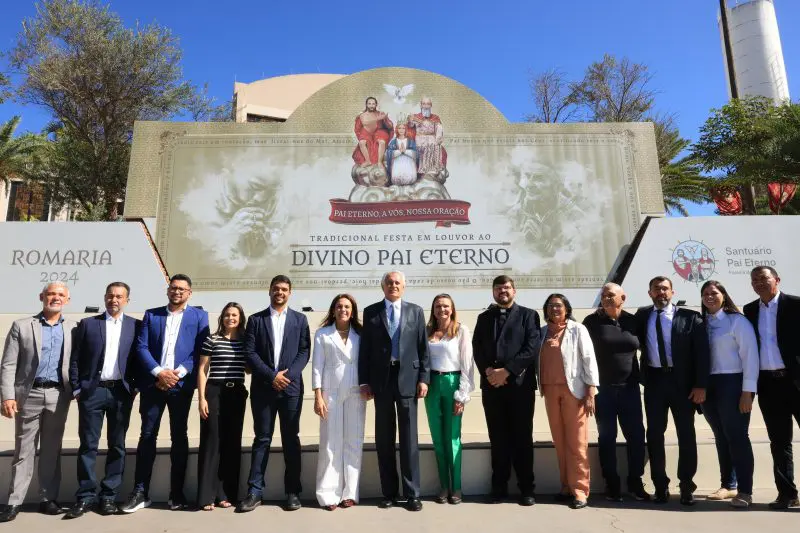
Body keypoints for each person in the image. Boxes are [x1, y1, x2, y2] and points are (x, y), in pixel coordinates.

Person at [121, 274, 210, 513]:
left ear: (189, 293)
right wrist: (159, 372)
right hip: (153, 385)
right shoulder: (152, 314)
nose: (177, 292)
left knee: (179, 437)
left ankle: (177, 493)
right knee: (147, 435)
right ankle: (140, 492)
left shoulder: (200, 317)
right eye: (173, 288)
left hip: (180, 387)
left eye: (182, 289)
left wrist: (176, 374)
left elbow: (200, 351)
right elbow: (141, 346)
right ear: (168, 290)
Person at [0, 282, 77, 523]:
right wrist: (8, 396)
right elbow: (8, 364)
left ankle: (48, 499)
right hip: (29, 395)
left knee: (52, 450)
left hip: (58, 395)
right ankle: (14, 501)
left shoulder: (75, 328)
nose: (55, 298)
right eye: (51, 294)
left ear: (67, 299)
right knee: (24, 450)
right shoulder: (21, 326)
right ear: (41, 296)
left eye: (60, 295)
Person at [65, 282, 140, 519]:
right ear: (105, 298)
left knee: (117, 445)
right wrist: (77, 389)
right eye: (110, 296)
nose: (114, 300)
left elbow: (140, 358)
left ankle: (108, 496)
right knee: (88, 444)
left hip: (121, 391)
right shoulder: (89, 324)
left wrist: (135, 387)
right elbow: (75, 359)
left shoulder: (135, 326)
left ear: (127, 300)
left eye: (119, 296)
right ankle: (86, 496)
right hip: (92, 392)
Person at [634, 276, 709, 506]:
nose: (661, 293)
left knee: (686, 434)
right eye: (656, 289)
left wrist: (700, 385)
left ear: (672, 292)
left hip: (683, 384)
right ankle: (660, 486)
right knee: (655, 434)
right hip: (655, 382)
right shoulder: (642, 315)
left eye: (665, 289)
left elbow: (702, 354)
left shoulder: (690, 317)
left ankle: (686, 486)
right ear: (650, 293)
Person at [239, 275, 311, 513]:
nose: (280, 292)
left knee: (291, 439)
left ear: (290, 292)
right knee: (262, 439)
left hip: (291, 389)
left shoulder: (300, 320)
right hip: (263, 389)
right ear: (269, 291)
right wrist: (272, 376)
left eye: (284, 289)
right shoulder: (256, 320)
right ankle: (254, 491)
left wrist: (287, 376)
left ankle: (292, 492)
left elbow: (304, 352)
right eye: (276, 289)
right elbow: (250, 353)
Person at [359, 271, 429, 511]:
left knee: (409, 440)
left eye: (397, 282)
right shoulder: (371, 312)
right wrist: (364, 381)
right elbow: (365, 350)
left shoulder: (415, 311)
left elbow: (423, 348)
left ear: (404, 286)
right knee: (384, 439)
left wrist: (424, 378)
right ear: (383, 286)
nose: (393, 286)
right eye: (389, 282)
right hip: (381, 382)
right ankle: (389, 492)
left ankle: (412, 494)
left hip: (408, 380)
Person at [472, 275, 541, 506]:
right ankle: (498, 488)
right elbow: (477, 349)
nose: (503, 291)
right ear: (493, 292)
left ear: (515, 291)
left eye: (507, 287)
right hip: (492, 387)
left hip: (520, 387)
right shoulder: (483, 318)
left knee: (522, 437)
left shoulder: (529, 315)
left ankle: (526, 489)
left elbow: (532, 347)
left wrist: (507, 371)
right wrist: (490, 373)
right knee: (498, 438)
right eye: (499, 288)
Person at [582, 283, 649, 503]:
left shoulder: (633, 321)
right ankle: (612, 484)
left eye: (611, 295)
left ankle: (635, 482)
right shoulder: (591, 322)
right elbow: (583, 356)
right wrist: (588, 388)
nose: (607, 299)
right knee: (608, 437)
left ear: (623, 297)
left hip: (630, 389)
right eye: (603, 296)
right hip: (604, 391)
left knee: (636, 436)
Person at [743, 266, 800, 509]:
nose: (759, 283)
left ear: (776, 279)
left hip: (796, 382)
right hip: (768, 385)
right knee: (779, 442)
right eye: (755, 280)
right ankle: (787, 494)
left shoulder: (796, 305)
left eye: (764, 278)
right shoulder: (750, 310)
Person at [700, 280, 758, 508]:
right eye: (705, 293)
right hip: (709, 385)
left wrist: (748, 392)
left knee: (737, 437)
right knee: (721, 437)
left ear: (724, 295)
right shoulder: (702, 323)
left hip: (732, 383)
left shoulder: (737, 321)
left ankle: (745, 490)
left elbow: (750, 357)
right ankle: (728, 484)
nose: (709, 297)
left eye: (714, 292)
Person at [539, 294, 599, 509]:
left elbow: (589, 358)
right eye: (551, 306)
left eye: (559, 305)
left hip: (575, 392)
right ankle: (566, 486)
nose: (555, 309)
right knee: (560, 442)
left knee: (577, 443)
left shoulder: (577, 329)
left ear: (567, 308)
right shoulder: (542, 332)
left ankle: (581, 491)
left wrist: (591, 389)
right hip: (550, 391)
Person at [312, 294, 366, 510]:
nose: (343, 309)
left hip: (356, 392)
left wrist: (368, 385)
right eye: (339, 306)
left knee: (353, 442)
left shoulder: (361, 335)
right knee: (329, 444)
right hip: (330, 393)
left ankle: (349, 493)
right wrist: (318, 395)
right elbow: (317, 366)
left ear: (352, 311)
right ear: (333, 310)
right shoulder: (323, 334)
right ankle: (328, 494)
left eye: (347, 306)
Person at [196, 302, 249, 511]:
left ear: (240, 318)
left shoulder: (245, 342)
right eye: (227, 315)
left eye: (234, 315)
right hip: (214, 392)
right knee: (212, 442)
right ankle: (206, 496)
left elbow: (249, 369)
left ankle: (226, 494)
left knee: (231, 443)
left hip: (236, 393)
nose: (230, 318)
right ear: (222, 318)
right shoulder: (212, 339)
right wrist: (201, 398)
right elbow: (202, 369)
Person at [425, 294, 474, 505]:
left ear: (452, 309)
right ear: (433, 309)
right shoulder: (427, 332)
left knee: (452, 437)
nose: (441, 310)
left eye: (445, 306)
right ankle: (444, 486)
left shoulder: (461, 331)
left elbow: (467, 364)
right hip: (432, 385)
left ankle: (457, 487)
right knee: (437, 438)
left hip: (453, 382)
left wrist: (461, 395)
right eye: (437, 306)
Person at [406, 96, 447, 176]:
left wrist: (438, 139)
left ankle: (434, 170)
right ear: (421, 105)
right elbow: (410, 126)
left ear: (431, 105)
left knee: (439, 149)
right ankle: (422, 170)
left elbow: (439, 129)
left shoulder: (435, 117)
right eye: (424, 104)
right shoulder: (416, 116)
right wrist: (410, 120)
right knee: (425, 148)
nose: (426, 106)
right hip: (420, 139)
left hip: (432, 138)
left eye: (428, 104)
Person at [353, 96, 394, 167]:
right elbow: (365, 122)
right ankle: (368, 161)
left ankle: (379, 162)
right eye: (369, 104)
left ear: (376, 105)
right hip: (366, 133)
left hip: (378, 132)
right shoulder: (362, 115)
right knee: (362, 143)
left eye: (373, 104)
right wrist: (378, 118)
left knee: (382, 142)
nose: (371, 106)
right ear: (366, 105)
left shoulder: (379, 113)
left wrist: (385, 119)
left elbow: (389, 126)